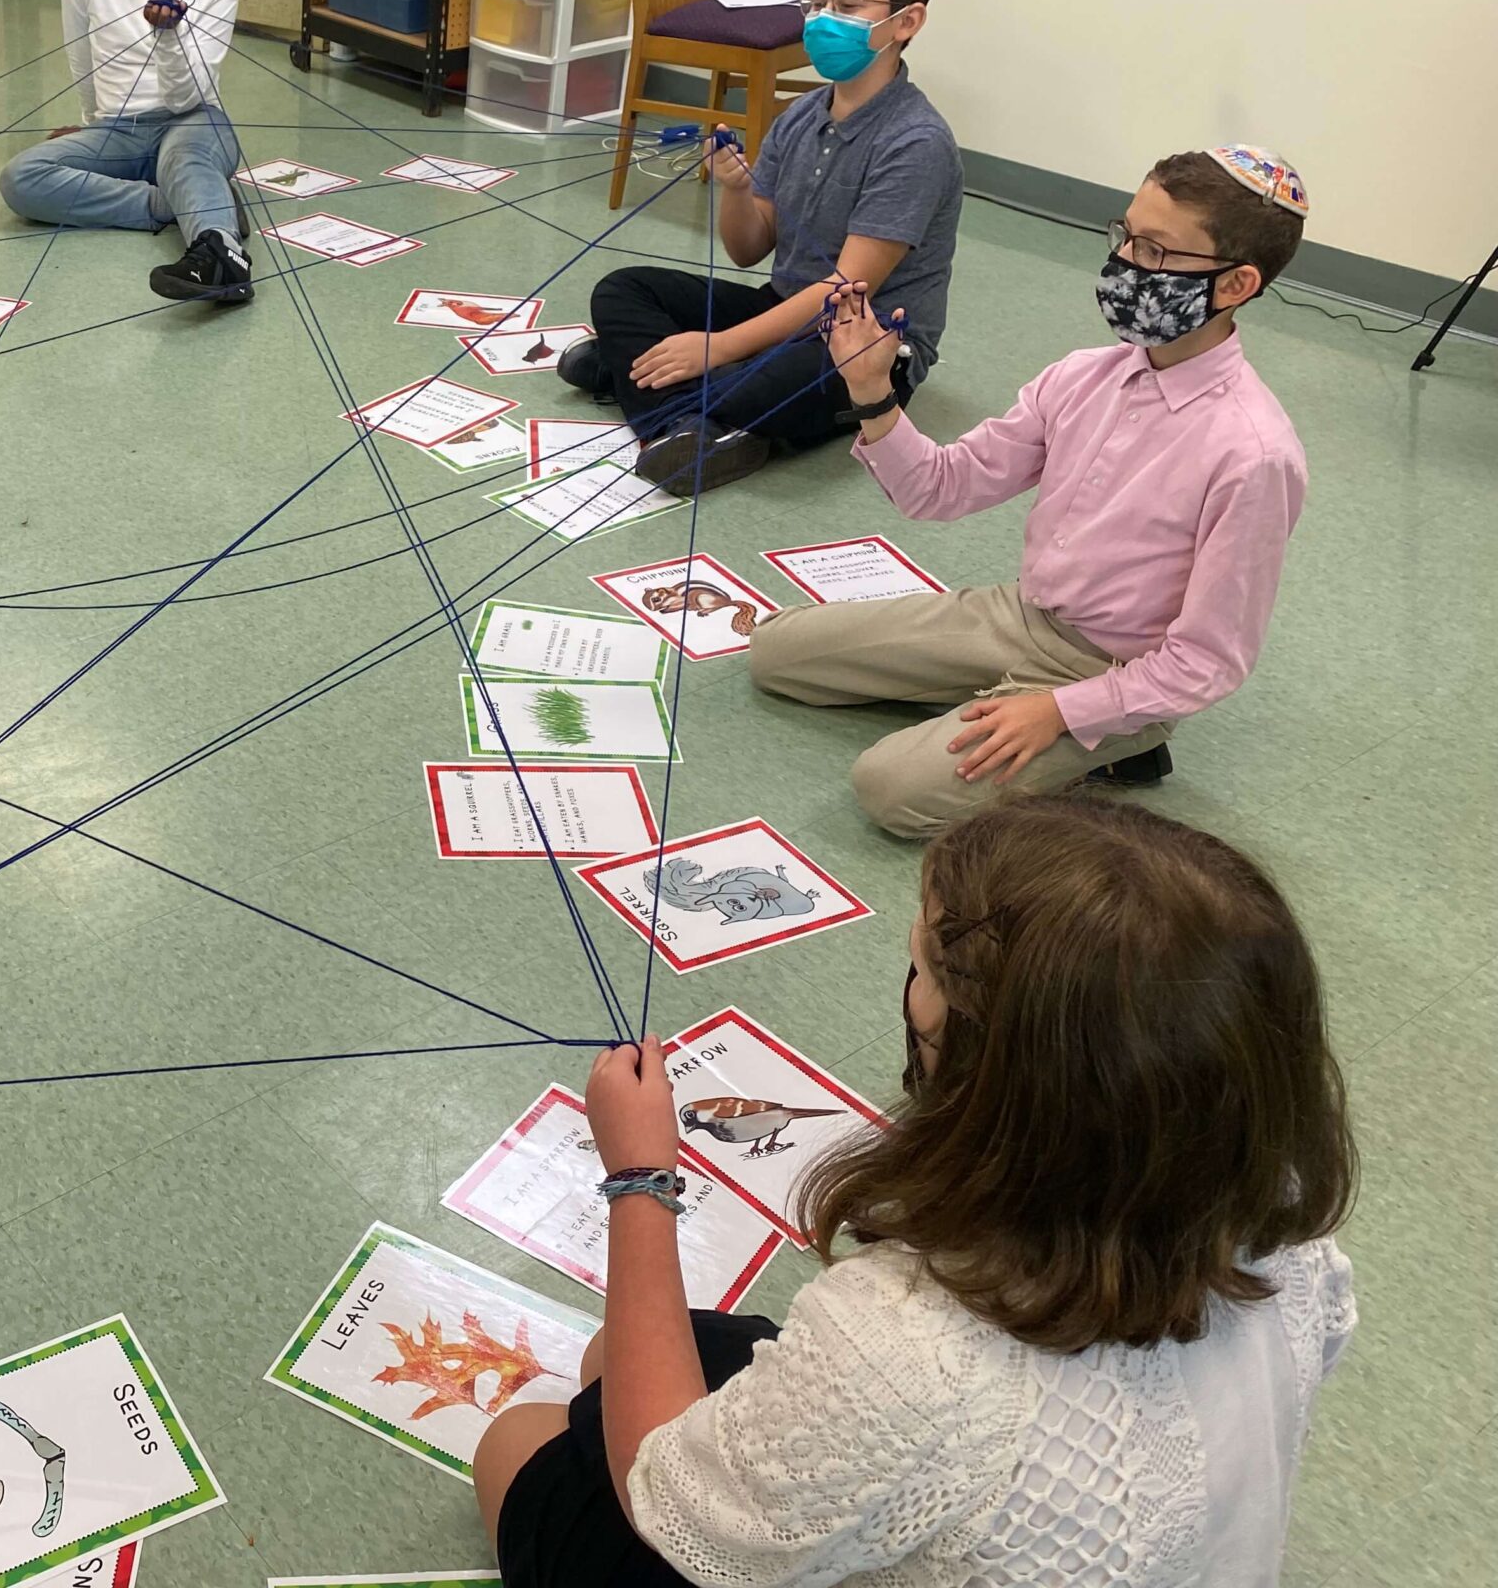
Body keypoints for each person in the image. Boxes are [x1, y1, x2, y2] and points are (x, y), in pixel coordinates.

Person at [474, 796, 1358, 1588]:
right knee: (614, 1360)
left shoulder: (902, 1345)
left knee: (518, 1445)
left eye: (925, 969)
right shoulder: (1275, 1213)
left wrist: (639, 1178)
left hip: (906, 1426)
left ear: (986, 1060)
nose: (913, 995)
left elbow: (664, 1501)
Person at [750, 145, 1310, 838]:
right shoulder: (1083, 376)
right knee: (774, 652)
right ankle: (989, 699)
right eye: (1126, 235)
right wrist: (871, 391)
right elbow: (940, 488)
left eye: (1158, 252)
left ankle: (1121, 743)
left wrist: (1061, 711)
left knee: (890, 790)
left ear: (1235, 285)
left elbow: (1209, 660)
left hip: (1111, 671)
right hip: (1018, 616)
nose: (1127, 263)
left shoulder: (1252, 454)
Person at [559, 0, 961, 493]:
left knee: (769, 380)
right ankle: (690, 421)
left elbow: (846, 286)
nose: (823, 20)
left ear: (905, 22)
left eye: (847, 6)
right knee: (623, 289)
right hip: (781, 308)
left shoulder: (915, 141)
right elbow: (749, 249)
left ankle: (646, 385)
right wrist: (735, 190)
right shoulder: (799, 116)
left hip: (861, 344)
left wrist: (717, 346)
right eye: (817, 3)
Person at [0, 0, 252, 306]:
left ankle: (221, 253)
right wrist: (92, 120)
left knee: (187, 160)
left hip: (194, 122)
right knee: (21, 178)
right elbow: (81, 55)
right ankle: (174, 203)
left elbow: (185, 98)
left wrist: (170, 37)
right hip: (118, 129)